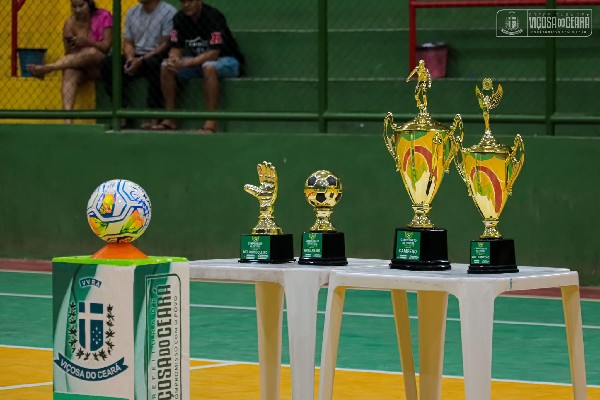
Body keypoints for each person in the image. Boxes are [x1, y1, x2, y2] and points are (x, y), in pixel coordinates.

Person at [150, 0, 245, 133]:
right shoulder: (180, 18)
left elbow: (213, 53)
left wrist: (186, 63)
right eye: (183, 2)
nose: (186, 5)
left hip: (228, 61)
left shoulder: (213, 16)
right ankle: (170, 118)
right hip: (198, 63)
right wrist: (174, 59)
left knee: (209, 66)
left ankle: (211, 121)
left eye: (190, 1)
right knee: (166, 66)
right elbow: (176, 47)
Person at [27, 0, 112, 124]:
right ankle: (68, 120)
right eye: (74, 7)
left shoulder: (104, 16)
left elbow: (105, 47)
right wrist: (72, 44)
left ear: (89, 4)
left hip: (100, 64)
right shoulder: (70, 23)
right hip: (80, 65)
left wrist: (87, 41)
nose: (77, 10)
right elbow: (69, 54)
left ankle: (49, 68)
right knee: (69, 72)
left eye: (81, 6)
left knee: (91, 51)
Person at [100, 0, 177, 129]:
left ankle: (154, 114)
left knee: (156, 64)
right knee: (108, 63)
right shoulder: (132, 12)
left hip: (156, 55)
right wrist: (130, 59)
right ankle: (122, 111)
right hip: (136, 56)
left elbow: (165, 44)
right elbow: (128, 42)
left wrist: (141, 60)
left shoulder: (169, 11)